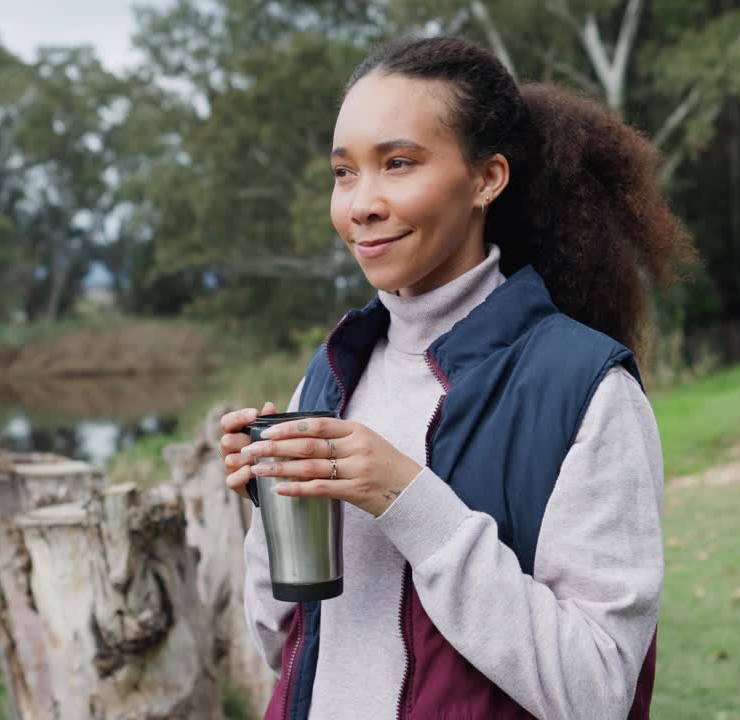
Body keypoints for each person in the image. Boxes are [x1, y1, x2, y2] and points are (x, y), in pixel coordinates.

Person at [220, 35, 695, 720]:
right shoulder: (328, 377)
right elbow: (284, 649)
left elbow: (597, 691)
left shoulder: (584, 389)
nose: (361, 204)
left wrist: (409, 500)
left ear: (486, 179)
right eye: (344, 172)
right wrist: (272, 508)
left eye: (398, 164)